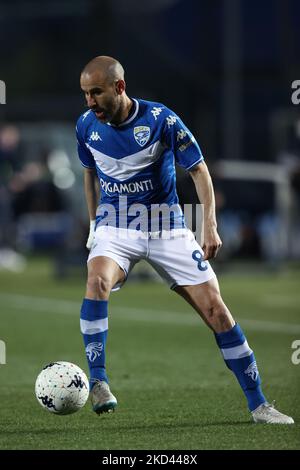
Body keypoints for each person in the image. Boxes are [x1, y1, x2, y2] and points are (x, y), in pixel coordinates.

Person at [76, 55, 294, 424]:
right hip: (117, 227)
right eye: (85, 94)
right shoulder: (85, 126)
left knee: (217, 311)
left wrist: (208, 224)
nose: (89, 102)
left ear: (119, 87)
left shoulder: (162, 120)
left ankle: (259, 405)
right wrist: (95, 223)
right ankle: (98, 380)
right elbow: (89, 174)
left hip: (168, 226)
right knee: (97, 280)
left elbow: (200, 172)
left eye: (96, 93)